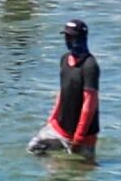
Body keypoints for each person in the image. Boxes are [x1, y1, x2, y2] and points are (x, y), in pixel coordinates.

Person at [32, 19, 99, 158]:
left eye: (72, 37)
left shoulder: (89, 65)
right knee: (35, 148)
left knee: (81, 174)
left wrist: (79, 137)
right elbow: (62, 91)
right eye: (66, 37)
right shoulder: (64, 59)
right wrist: (51, 119)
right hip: (59, 128)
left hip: (84, 135)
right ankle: (58, 167)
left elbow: (89, 103)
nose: (68, 40)